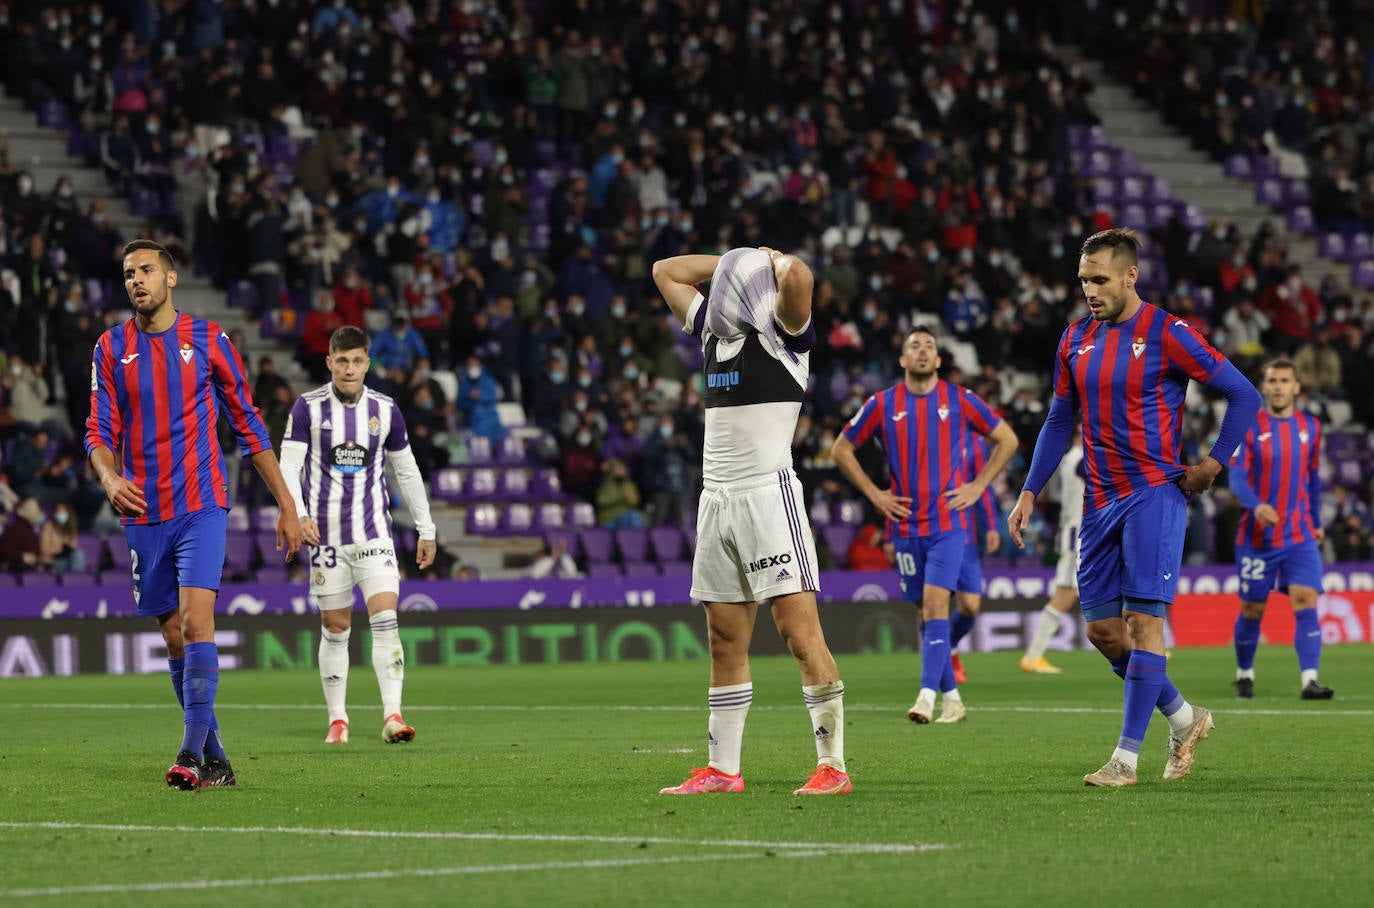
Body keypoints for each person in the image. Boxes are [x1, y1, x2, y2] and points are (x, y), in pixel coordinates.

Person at [1008, 228, 1262, 787]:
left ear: (1130, 275)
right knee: (1103, 631)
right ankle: (1184, 718)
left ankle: (1125, 758)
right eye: (1083, 281)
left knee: (1143, 621)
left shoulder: (1169, 334)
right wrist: (1030, 489)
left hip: (1154, 493)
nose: (1090, 291)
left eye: (1099, 279)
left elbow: (1244, 394)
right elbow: (1057, 420)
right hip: (1098, 500)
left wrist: (1214, 463)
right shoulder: (1075, 339)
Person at [85, 240, 303, 790]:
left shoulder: (209, 340)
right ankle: (218, 759)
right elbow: (98, 431)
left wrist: (286, 504)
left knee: (197, 622)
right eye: (129, 273)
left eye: (147, 270)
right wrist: (109, 477)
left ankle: (187, 754)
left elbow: (249, 424)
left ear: (171, 278)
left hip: (201, 503)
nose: (137, 280)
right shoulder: (110, 348)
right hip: (142, 511)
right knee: (176, 639)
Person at [653, 246, 851, 796]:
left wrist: (769, 259)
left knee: (799, 632)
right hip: (715, 499)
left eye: (724, 287)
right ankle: (723, 771)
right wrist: (731, 260)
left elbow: (801, 275)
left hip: (769, 497)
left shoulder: (783, 336)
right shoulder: (712, 335)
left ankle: (832, 766)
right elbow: (664, 270)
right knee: (723, 640)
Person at [831, 326, 1018, 724]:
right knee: (925, 613)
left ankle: (926, 697)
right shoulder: (882, 404)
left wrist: (978, 486)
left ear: (937, 360)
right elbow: (840, 449)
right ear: (902, 360)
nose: (922, 351)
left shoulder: (960, 399)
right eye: (914, 345)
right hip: (903, 528)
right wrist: (875, 495)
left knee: (936, 606)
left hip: (948, 524)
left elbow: (1008, 439)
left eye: (929, 347)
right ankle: (952, 697)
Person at [279, 326, 437, 745]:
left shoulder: (386, 410)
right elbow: (288, 466)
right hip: (325, 538)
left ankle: (393, 716)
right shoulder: (307, 408)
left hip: (374, 534)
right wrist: (300, 514)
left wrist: (426, 527)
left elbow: (406, 470)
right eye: (342, 361)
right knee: (335, 628)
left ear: (368, 363)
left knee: (386, 620)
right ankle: (338, 719)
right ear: (329, 362)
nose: (349, 369)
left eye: (357, 361)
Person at [1228, 359, 1334, 701]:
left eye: (1284, 381)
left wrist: (1316, 521)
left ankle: (1310, 681)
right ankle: (1244, 674)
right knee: (1252, 609)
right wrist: (1255, 504)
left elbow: (1313, 478)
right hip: (1257, 537)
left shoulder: (1311, 427)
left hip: (1299, 533)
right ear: (1265, 386)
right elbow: (1237, 476)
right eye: (1272, 380)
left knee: (1306, 600)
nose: (1278, 386)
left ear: (1296, 387)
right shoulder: (1248, 426)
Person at [1019, 424, 1086, 674]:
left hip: (1079, 531)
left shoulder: (1071, 459)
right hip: (1077, 533)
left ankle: (1143, 648)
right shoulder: (1078, 460)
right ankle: (1033, 655)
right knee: (1065, 594)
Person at [947, 423, 1005, 685]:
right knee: (929, 605)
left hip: (964, 533)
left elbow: (983, 486)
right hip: (925, 530)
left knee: (970, 605)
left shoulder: (973, 442)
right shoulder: (919, 432)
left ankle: (947, 646)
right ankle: (941, 664)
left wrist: (991, 525)